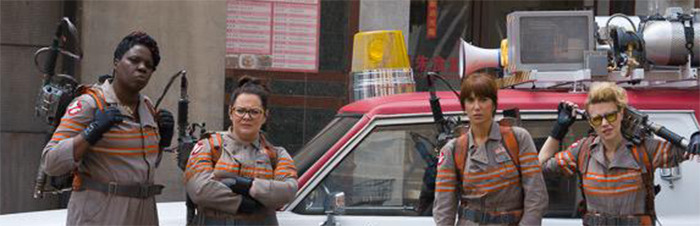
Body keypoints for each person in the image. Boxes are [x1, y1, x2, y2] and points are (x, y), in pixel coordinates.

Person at [41, 31, 174, 225]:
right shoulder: (90, 104)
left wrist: (163, 141)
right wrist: (91, 132)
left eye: (149, 66)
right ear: (116, 63)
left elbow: (140, 166)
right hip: (101, 212)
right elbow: (51, 162)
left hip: (144, 212)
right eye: (134, 60)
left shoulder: (147, 107)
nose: (142, 68)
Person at [538, 82, 700, 225]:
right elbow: (540, 166)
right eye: (597, 119)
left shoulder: (645, 150)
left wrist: (696, 137)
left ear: (621, 113)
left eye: (610, 116)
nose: (605, 124)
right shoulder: (583, 151)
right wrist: (559, 129)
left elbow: (688, 150)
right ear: (591, 122)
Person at [433, 73, 548, 225]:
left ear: (493, 104)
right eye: (470, 100)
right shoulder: (453, 150)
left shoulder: (518, 138)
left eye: (483, 99)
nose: (477, 107)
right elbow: (444, 209)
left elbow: (536, 195)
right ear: (463, 106)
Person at [185, 75, 298, 225]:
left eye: (254, 112)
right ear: (230, 112)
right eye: (240, 110)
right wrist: (241, 203)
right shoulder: (209, 146)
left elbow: (288, 191)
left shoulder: (277, 154)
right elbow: (199, 189)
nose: (246, 117)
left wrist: (248, 185)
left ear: (265, 116)